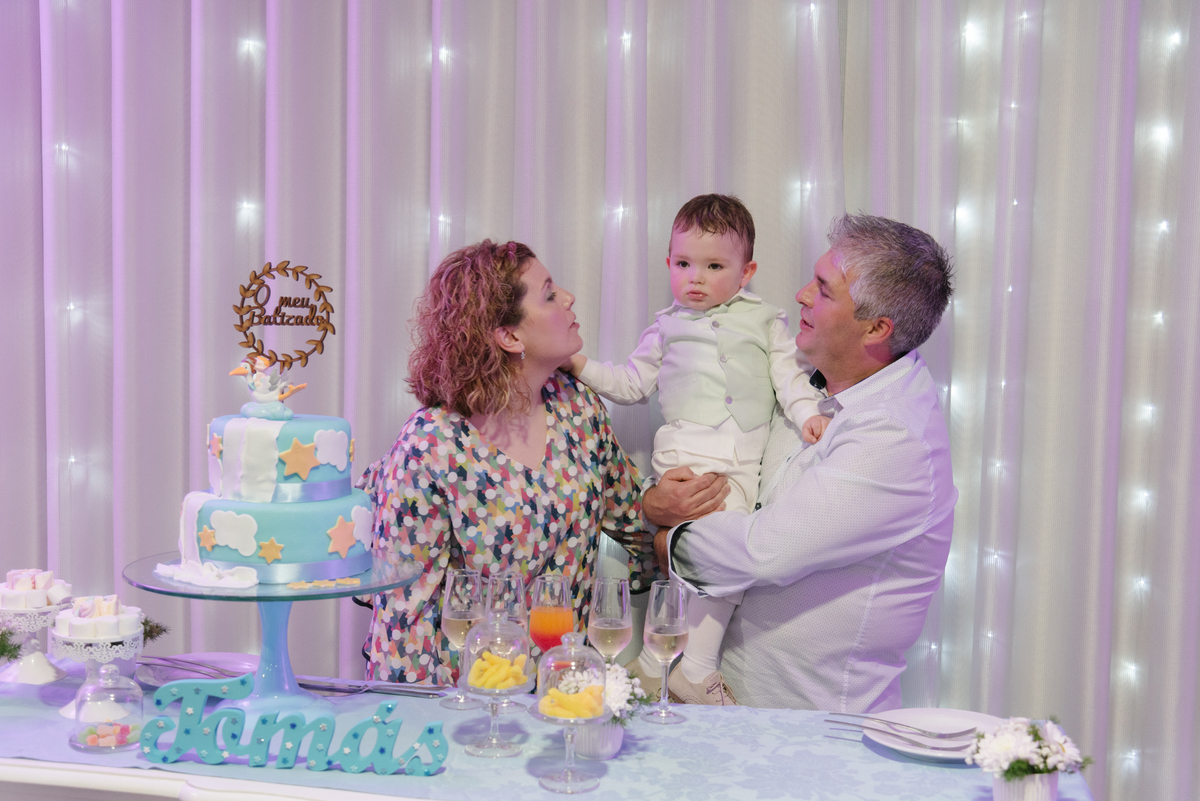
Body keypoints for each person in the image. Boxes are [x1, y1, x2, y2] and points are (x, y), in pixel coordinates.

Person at [647, 213, 957, 712]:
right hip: (730, 712)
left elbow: (763, 550)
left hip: (814, 732)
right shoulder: (804, 377)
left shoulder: (894, 437)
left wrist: (666, 538)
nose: (800, 296)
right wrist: (659, 497)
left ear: (877, 328)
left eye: (823, 290)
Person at [563, 194, 828, 705]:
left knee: (723, 561)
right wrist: (580, 366)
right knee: (704, 564)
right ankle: (695, 666)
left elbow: (788, 378)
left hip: (739, 463)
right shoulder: (665, 326)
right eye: (683, 264)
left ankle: (657, 662)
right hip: (683, 458)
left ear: (746, 271)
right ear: (668, 264)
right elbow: (630, 383)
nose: (696, 278)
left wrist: (807, 415)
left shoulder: (766, 321)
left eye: (713, 266)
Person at [358, 240, 660, 685]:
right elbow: (403, 617)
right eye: (550, 293)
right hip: (465, 703)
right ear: (509, 335)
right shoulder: (431, 446)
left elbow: (633, 517)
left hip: (564, 692)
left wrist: (688, 520)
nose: (570, 298)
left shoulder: (577, 407)